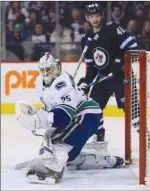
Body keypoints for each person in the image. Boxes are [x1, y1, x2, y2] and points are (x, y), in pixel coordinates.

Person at [15, 53, 124, 184]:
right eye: (43, 70)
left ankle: (52, 169)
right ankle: (105, 160)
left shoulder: (63, 84)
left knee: (59, 143)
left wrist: (39, 120)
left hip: (87, 114)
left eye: (49, 69)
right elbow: (52, 107)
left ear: (57, 68)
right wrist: (41, 115)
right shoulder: (40, 81)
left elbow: (64, 117)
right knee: (68, 155)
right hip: (77, 114)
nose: (46, 73)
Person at [78, 3, 139, 142]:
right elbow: (92, 66)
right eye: (91, 16)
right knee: (93, 107)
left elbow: (133, 48)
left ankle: (146, 141)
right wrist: (87, 81)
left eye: (97, 15)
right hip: (102, 78)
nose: (95, 19)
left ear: (102, 15)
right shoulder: (87, 39)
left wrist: (119, 64)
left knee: (131, 109)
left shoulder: (112, 28)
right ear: (87, 18)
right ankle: (99, 135)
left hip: (121, 76)